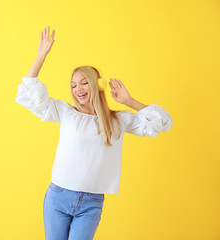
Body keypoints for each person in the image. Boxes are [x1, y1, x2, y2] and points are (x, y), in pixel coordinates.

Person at [15, 26, 173, 240]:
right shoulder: (66, 113)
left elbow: (161, 122)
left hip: (91, 203)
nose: (77, 88)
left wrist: (129, 101)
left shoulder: (118, 120)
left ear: (97, 85)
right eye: (72, 85)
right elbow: (29, 95)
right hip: (58, 197)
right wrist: (40, 57)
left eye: (84, 82)